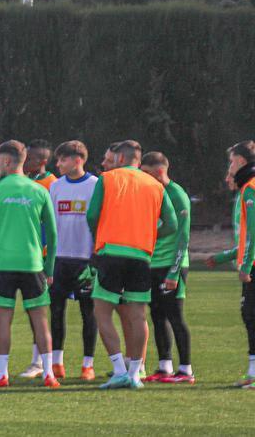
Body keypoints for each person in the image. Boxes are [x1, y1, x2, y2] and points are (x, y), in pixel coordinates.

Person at [87, 140, 178, 390]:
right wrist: (148, 234)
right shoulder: (156, 186)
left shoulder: (108, 179)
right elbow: (171, 224)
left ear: (119, 158)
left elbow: (92, 215)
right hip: (141, 255)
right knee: (138, 315)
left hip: (111, 251)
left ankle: (118, 370)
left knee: (102, 311)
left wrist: (100, 236)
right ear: (139, 159)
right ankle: (135, 373)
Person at [0, 140, 60, 389]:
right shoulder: (39, 190)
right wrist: (49, 268)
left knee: (4, 320)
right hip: (33, 264)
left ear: (6, 161)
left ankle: (2, 374)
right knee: (40, 320)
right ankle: (49, 374)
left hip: (4, 264)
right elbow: (53, 234)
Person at [46, 140, 99, 381]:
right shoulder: (55, 187)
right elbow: (49, 223)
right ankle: (56, 362)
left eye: (62, 160)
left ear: (77, 160)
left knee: (89, 313)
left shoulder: (96, 186)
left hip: (85, 259)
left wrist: (96, 257)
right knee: (56, 311)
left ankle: (88, 364)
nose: (58, 164)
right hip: (59, 259)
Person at [138, 151, 193, 384]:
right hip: (153, 263)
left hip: (172, 265)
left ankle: (186, 370)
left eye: (147, 173)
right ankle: (164, 366)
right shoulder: (153, 193)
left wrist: (174, 270)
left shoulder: (176, 194)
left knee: (175, 316)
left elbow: (183, 235)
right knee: (157, 316)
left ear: (160, 171)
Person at [205, 140, 255, 389]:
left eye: (232, 161)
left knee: (251, 316)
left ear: (242, 162)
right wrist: (225, 257)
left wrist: (246, 265)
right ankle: (252, 372)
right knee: (249, 316)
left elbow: (254, 234)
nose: (230, 167)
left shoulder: (250, 189)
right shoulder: (246, 189)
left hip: (253, 266)